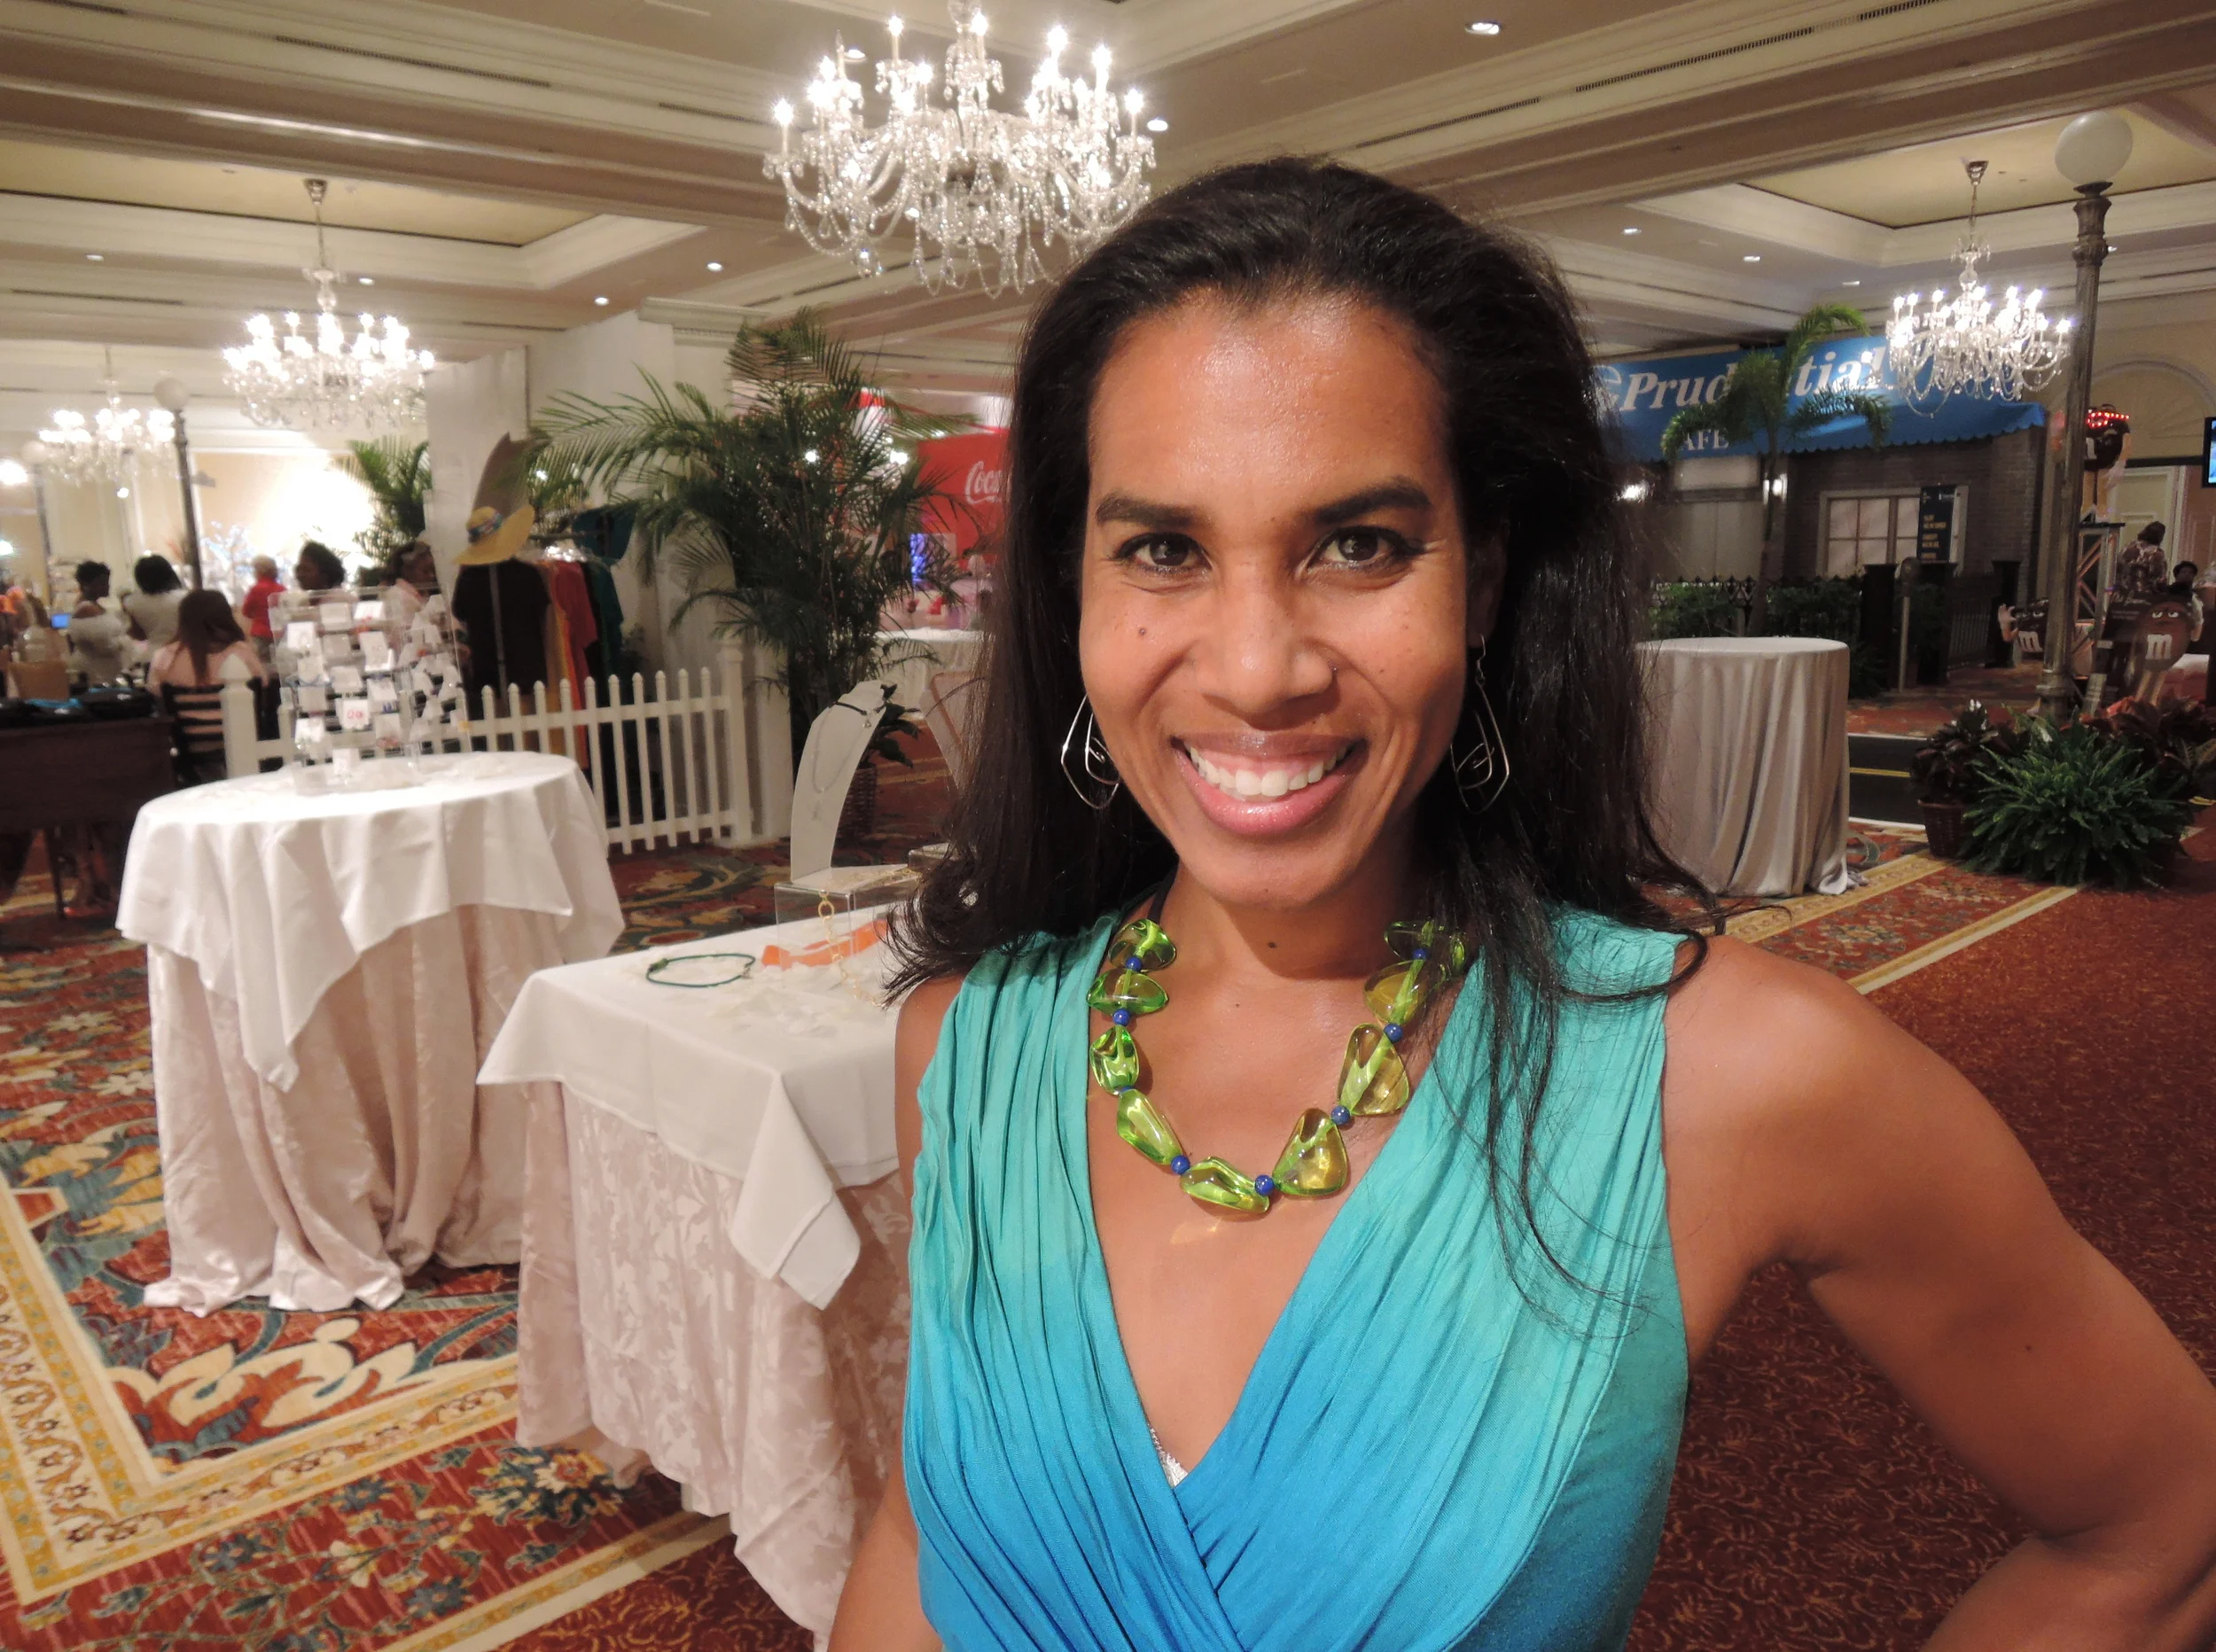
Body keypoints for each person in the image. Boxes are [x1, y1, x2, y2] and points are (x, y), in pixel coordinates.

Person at [831, 160, 2216, 1651]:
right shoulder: (963, 1044)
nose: (1254, 667)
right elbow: (924, 1533)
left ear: (1484, 579)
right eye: (1163, 547)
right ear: (1076, 590)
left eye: (1357, 541)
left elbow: (2166, 1528)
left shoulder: (1729, 1077)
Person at [149, 589, 265, 782]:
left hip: (191, 747)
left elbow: (157, 696)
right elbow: (262, 686)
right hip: (242, 741)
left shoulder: (166, 657)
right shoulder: (243, 653)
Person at [66, 561, 130, 687]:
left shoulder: (96, 607)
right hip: (95, 671)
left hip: (104, 669)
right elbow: (104, 643)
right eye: (101, 583)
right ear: (86, 585)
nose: (107, 586)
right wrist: (124, 642)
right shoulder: (86, 608)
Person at [121, 553, 185, 649]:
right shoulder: (184, 598)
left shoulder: (131, 602)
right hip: (181, 651)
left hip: (153, 652)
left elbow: (138, 635)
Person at [239, 555, 285, 658]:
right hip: (279, 634)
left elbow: (246, 611)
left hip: (261, 635)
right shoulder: (282, 589)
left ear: (259, 571)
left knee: (264, 665)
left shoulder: (256, 589)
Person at [2116, 520, 2170, 604]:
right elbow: (2159, 580)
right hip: (2143, 599)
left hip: (2121, 597)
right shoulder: (2156, 554)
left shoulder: (2126, 548)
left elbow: (2118, 569)